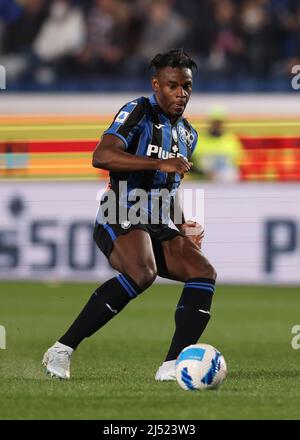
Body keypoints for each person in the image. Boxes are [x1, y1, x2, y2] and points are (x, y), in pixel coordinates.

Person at [42, 48, 217, 381]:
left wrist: (182, 223)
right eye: (172, 86)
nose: (181, 94)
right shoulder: (138, 111)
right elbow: (102, 155)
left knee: (203, 271)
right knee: (142, 272)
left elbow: (170, 185)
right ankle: (62, 348)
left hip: (153, 220)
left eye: (187, 86)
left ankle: (172, 366)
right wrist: (157, 162)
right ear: (156, 85)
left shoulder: (188, 134)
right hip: (118, 209)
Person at [192, 106, 244, 182]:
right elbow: (189, 165)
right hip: (202, 184)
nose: (217, 125)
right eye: (215, 122)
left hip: (225, 187)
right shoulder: (197, 140)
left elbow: (237, 166)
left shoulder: (232, 141)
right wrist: (203, 173)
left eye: (219, 123)